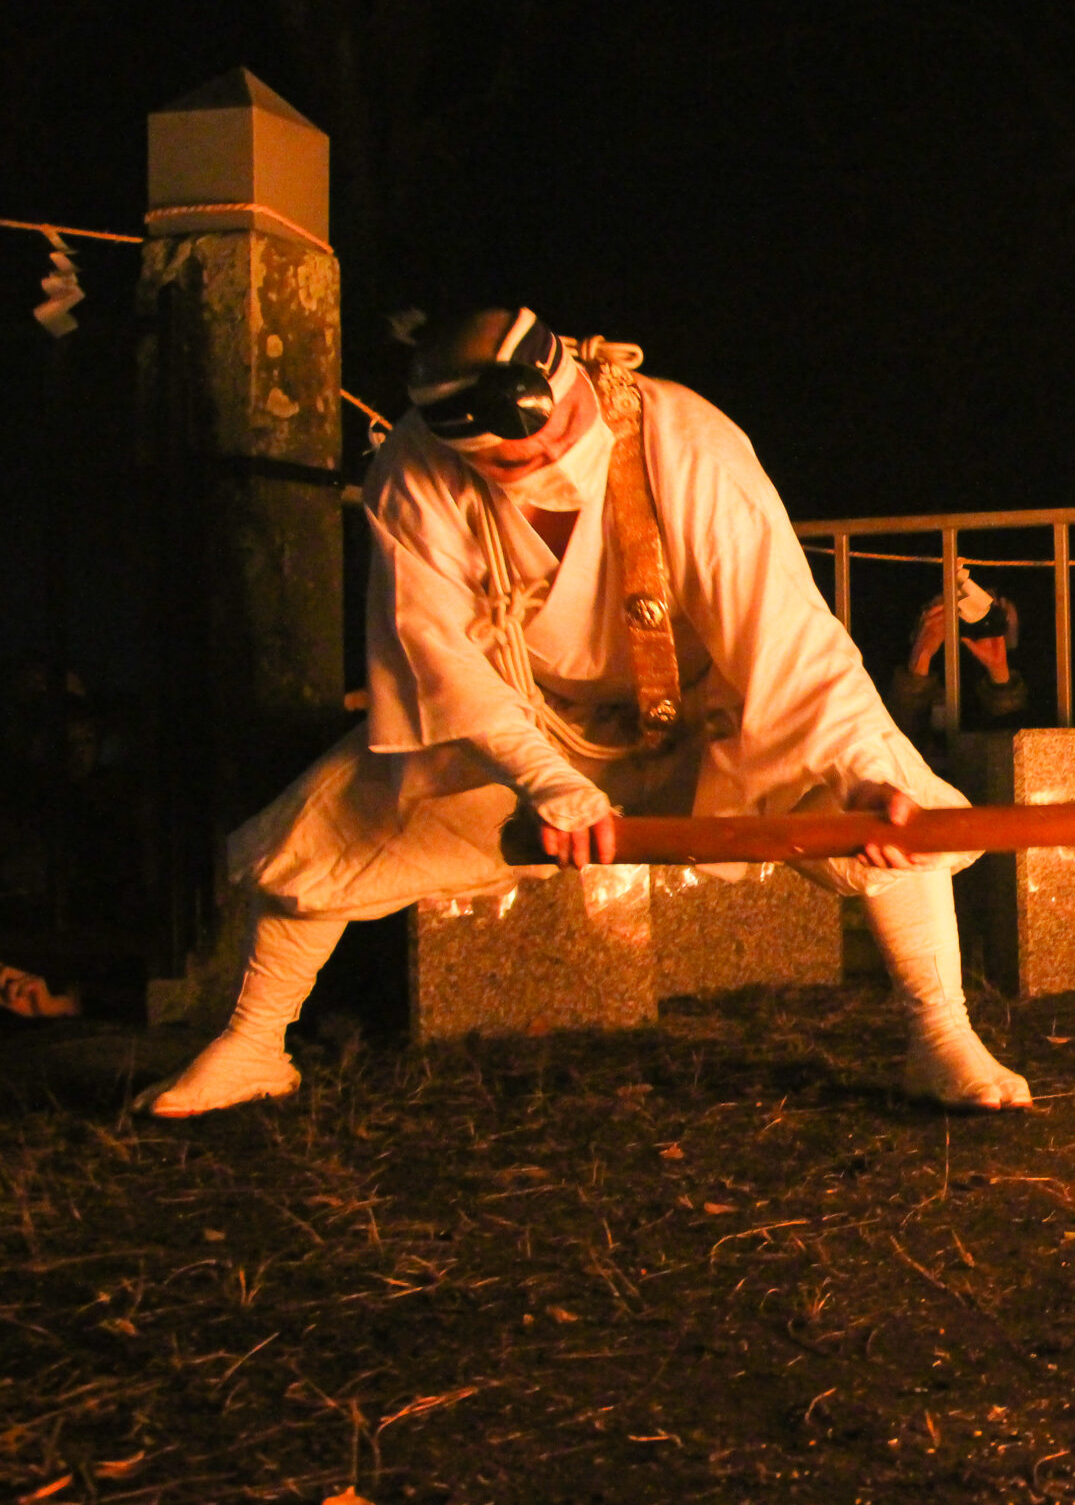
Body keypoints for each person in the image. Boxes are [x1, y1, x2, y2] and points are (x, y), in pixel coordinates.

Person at [143, 308, 1029, 1117]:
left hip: (716, 713)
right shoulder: (413, 472)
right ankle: (256, 1042)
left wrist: (864, 775)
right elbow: (437, 654)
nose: (551, 459)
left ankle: (939, 1035)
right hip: (534, 721)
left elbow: (785, 634)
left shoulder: (688, 440)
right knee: (334, 825)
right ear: (462, 449)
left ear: (573, 377)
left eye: (564, 429)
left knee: (890, 804)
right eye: (515, 461)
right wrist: (546, 780)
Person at [885, 584, 1030, 745]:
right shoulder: (896, 662)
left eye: (984, 609)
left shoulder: (1033, 671)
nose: (967, 619)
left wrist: (1000, 673)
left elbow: (1018, 754)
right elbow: (895, 749)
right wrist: (921, 659)